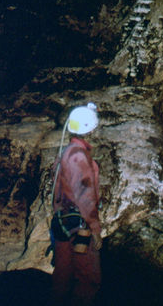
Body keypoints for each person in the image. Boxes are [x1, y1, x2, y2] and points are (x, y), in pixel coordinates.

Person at [49, 102, 102, 306]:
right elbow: (86, 196)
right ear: (89, 129)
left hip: (63, 224)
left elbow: (57, 193)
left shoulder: (67, 152)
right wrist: (94, 228)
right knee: (89, 280)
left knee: (62, 279)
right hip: (79, 226)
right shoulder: (79, 156)